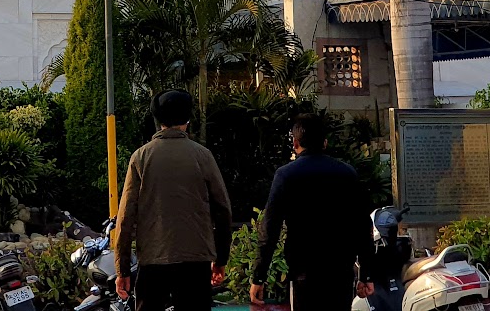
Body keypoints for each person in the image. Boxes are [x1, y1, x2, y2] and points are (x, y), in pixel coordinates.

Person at [115, 89, 232, 311]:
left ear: (157, 120)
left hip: (153, 260)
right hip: (195, 261)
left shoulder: (140, 157)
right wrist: (220, 260)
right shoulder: (202, 156)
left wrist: (122, 270)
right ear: (188, 119)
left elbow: (125, 218)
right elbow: (223, 210)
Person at [251, 115, 376, 311]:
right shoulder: (347, 173)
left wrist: (259, 276)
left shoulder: (286, 175)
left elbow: (270, 229)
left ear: (295, 143)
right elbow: (362, 226)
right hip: (340, 271)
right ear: (325, 142)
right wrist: (366, 274)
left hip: (303, 271)